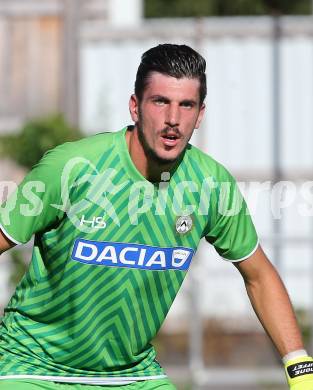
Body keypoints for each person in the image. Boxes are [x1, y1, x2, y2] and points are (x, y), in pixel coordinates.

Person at [0, 44, 312, 390]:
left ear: (200, 114)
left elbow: (259, 275)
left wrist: (300, 369)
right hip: (33, 368)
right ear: (135, 107)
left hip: (131, 375)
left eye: (186, 105)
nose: (173, 120)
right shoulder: (73, 168)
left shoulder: (210, 186)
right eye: (160, 102)